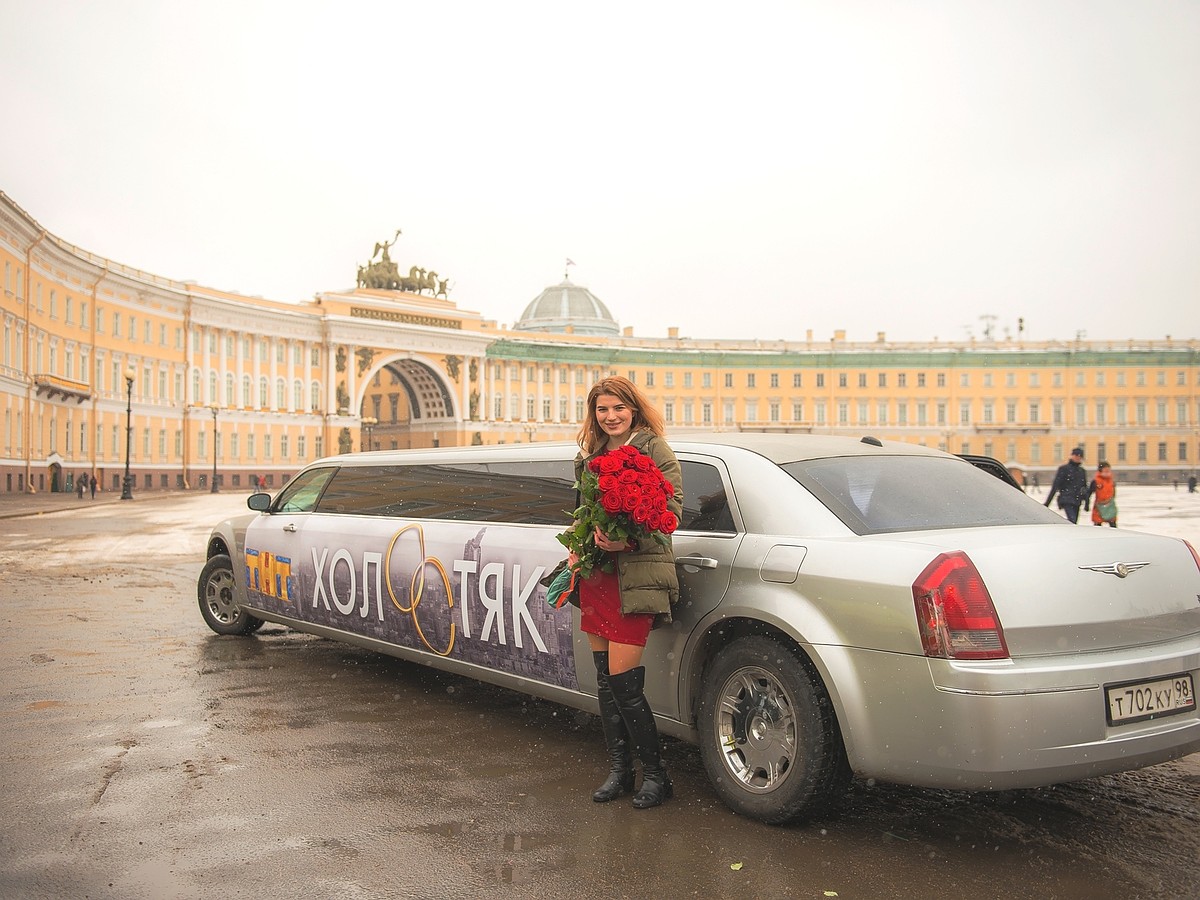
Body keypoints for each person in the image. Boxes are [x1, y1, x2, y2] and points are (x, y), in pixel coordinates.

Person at [570, 375, 682, 810]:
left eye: (618, 407)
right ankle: (620, 771)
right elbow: (582, 511)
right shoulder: (591, 455)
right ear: (593, 414)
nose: (610, 416)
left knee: (625, 684)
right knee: (605, 682)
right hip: (598, 576)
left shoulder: (654, 448)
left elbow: (671, 511)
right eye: (602, 409)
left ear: (633, 408)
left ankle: (657, 776)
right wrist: (578, 548)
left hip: (636, 576)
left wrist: (628, 542)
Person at [1045, 447, 1089, 523]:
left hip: (1077, 500)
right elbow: (1055, 486)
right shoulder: (1064, 469)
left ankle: (1071, 533)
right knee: (1072, 520)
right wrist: (1047, 503)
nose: (1078, 458)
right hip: (1066, 499)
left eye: (1080, 456)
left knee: (1074, 522)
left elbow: (1084, 488)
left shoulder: (1082, 471)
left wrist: (1087, 503)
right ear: (1072, 456)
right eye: (1076, 455)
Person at [1086, 461, 1118, 527]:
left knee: (1113, 525)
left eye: (1108, 471)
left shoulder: (1111, 481)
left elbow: (1113, 493)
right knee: (1098, 524)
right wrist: (1087, 504)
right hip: (1099, 506)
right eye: (1105, 471)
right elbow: (1089, 493)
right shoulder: (1096, 481)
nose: (1107, 473)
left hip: (1110, 505)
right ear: (1100, 471)